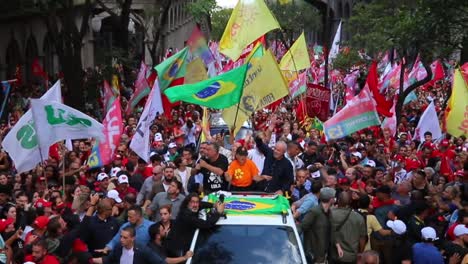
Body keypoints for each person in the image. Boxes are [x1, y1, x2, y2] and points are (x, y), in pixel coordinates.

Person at [164, 193, 224, 257]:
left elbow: (201, 204)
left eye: (197, 202)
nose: (195, 205)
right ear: (187, 203)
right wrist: (218, 213)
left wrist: (213, 205)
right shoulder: (187, 216)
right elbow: (206, 224)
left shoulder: (191, 207)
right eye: (192, 202)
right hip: (177, 249)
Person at [299, 187, 336, 263]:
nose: (335, 199)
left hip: (324, 255)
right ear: (331, 199)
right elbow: (302, 227)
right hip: (314, 255)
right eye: (334, 197)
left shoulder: (329, 212)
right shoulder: (314, 212)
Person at [92, 226, 165, 264]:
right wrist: (89, 259)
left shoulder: (143, 250)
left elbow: (160, 262)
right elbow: (108, 260)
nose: (121, 239)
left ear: (133, 238)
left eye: (125, 238)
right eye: (121, 236)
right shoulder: (118, 247)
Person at [331, 192, 367, 264]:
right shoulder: (359, 217)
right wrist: (360, 253)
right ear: (350, 201)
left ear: (338, 201)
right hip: (351, 256)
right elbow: (362, 238)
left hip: (334, 254)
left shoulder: (331, 214)